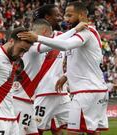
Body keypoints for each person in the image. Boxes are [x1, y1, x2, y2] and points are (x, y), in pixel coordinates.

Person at [18, 2, 108, 135]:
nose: (64, 18)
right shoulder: (72, 35)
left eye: (68, 15)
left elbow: (65, 45)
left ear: (82, 15)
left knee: (74, 131)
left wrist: (38, 37)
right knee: (90, 130)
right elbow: (78, 59)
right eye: (63, 15)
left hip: (85, 91)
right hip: (78, 90)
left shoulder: (83, 33)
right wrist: (67, 75)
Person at [32, 4, 88, 135]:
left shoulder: (63, 36)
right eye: (57, 15)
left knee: (76, 129)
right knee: (34, 131)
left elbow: (77, 59)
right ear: (47, 17)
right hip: (43, 93)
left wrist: (67, 75)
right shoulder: (35, 39)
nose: (61, 18)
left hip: (62, 94)